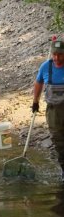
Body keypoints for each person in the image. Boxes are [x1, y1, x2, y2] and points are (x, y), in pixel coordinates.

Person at [32, 36, 64, 180]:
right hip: (53, 110)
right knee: (58, 139)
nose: (57, 58)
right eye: (54, 54)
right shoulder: (45, 66)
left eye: (60, 54)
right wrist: (35, 101)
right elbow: (38, 84)